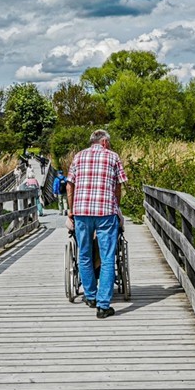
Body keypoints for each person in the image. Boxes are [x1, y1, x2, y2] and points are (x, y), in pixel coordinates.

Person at [66, 129, 127, 319]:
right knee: (108, 257)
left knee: (84, 254)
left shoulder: (78, 156)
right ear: (105, 143)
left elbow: (69, 185)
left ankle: (90, 296)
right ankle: (103, 305)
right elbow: (119, 185)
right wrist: (116, 205)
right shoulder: (113, 157)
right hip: (105, 212)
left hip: (82, 212)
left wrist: (70, 210)